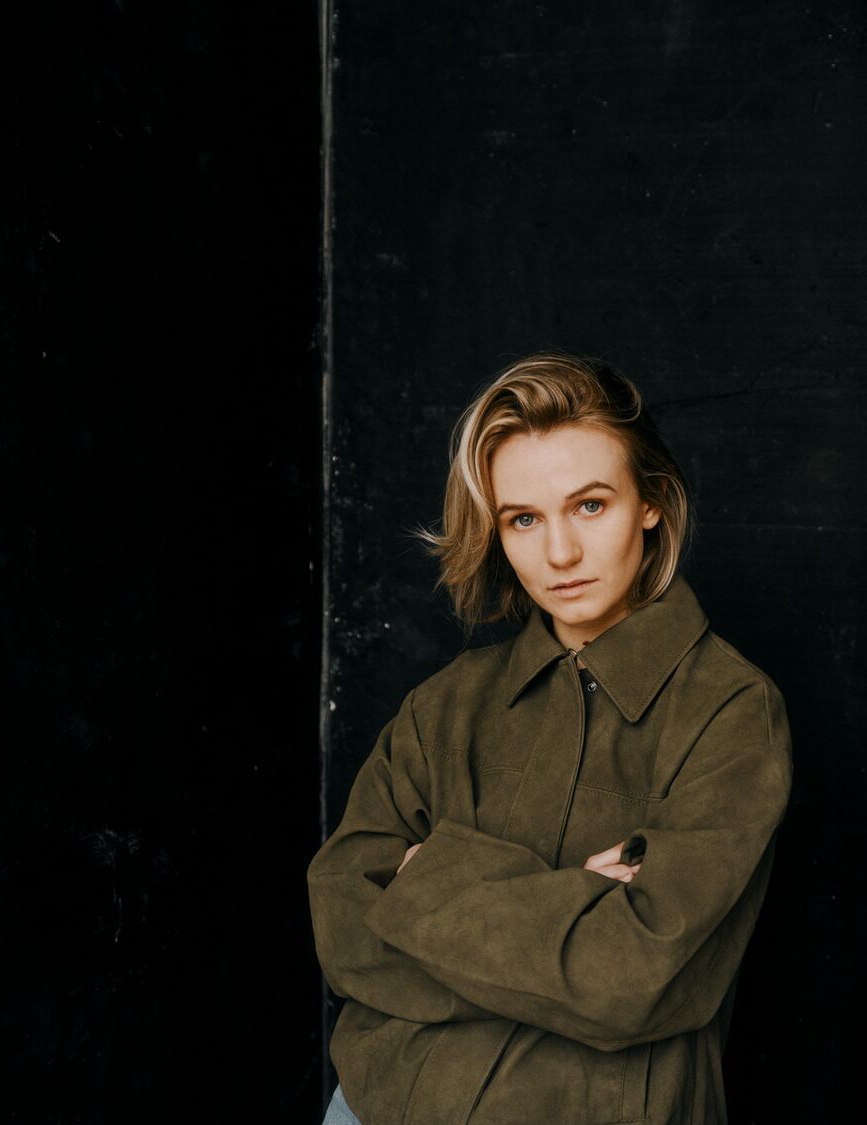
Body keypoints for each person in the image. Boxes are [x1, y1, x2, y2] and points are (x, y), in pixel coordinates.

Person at [307, 353, 792, 1124]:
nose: (559, 553)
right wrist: (573, 907)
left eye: (590, 505)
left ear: (651, 502)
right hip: (376, 1107)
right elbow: (343, 924)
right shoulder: (446, 704)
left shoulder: (731, 710)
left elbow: (635, 979)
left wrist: (428, 881)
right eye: (523, 518)